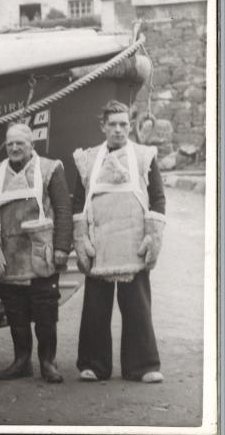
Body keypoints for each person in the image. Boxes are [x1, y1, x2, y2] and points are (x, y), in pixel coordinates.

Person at [72, 100, 166, 383]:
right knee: (95, 307)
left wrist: (153, 234)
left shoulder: (143, 156)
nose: (118, 130)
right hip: (99, 241)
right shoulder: (88, 159)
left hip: (133, 241)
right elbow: (80, 200)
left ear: (130, 125)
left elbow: (158, 198)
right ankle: (93, 365)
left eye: (123, 124)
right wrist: (80, 237)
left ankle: (143, 366)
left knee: (137, 305)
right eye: (112, 124)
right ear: (103, 127)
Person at [0, 123, 72, 384]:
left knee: (45, 314)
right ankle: (21, 362)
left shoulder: (51, 169)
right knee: (15, 312)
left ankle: (47, 362)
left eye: (20, 143)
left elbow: (63, 210)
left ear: (32, 144)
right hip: (7, 255)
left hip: (42, 253)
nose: (15, 148)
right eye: (10, 144)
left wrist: (62, 247)